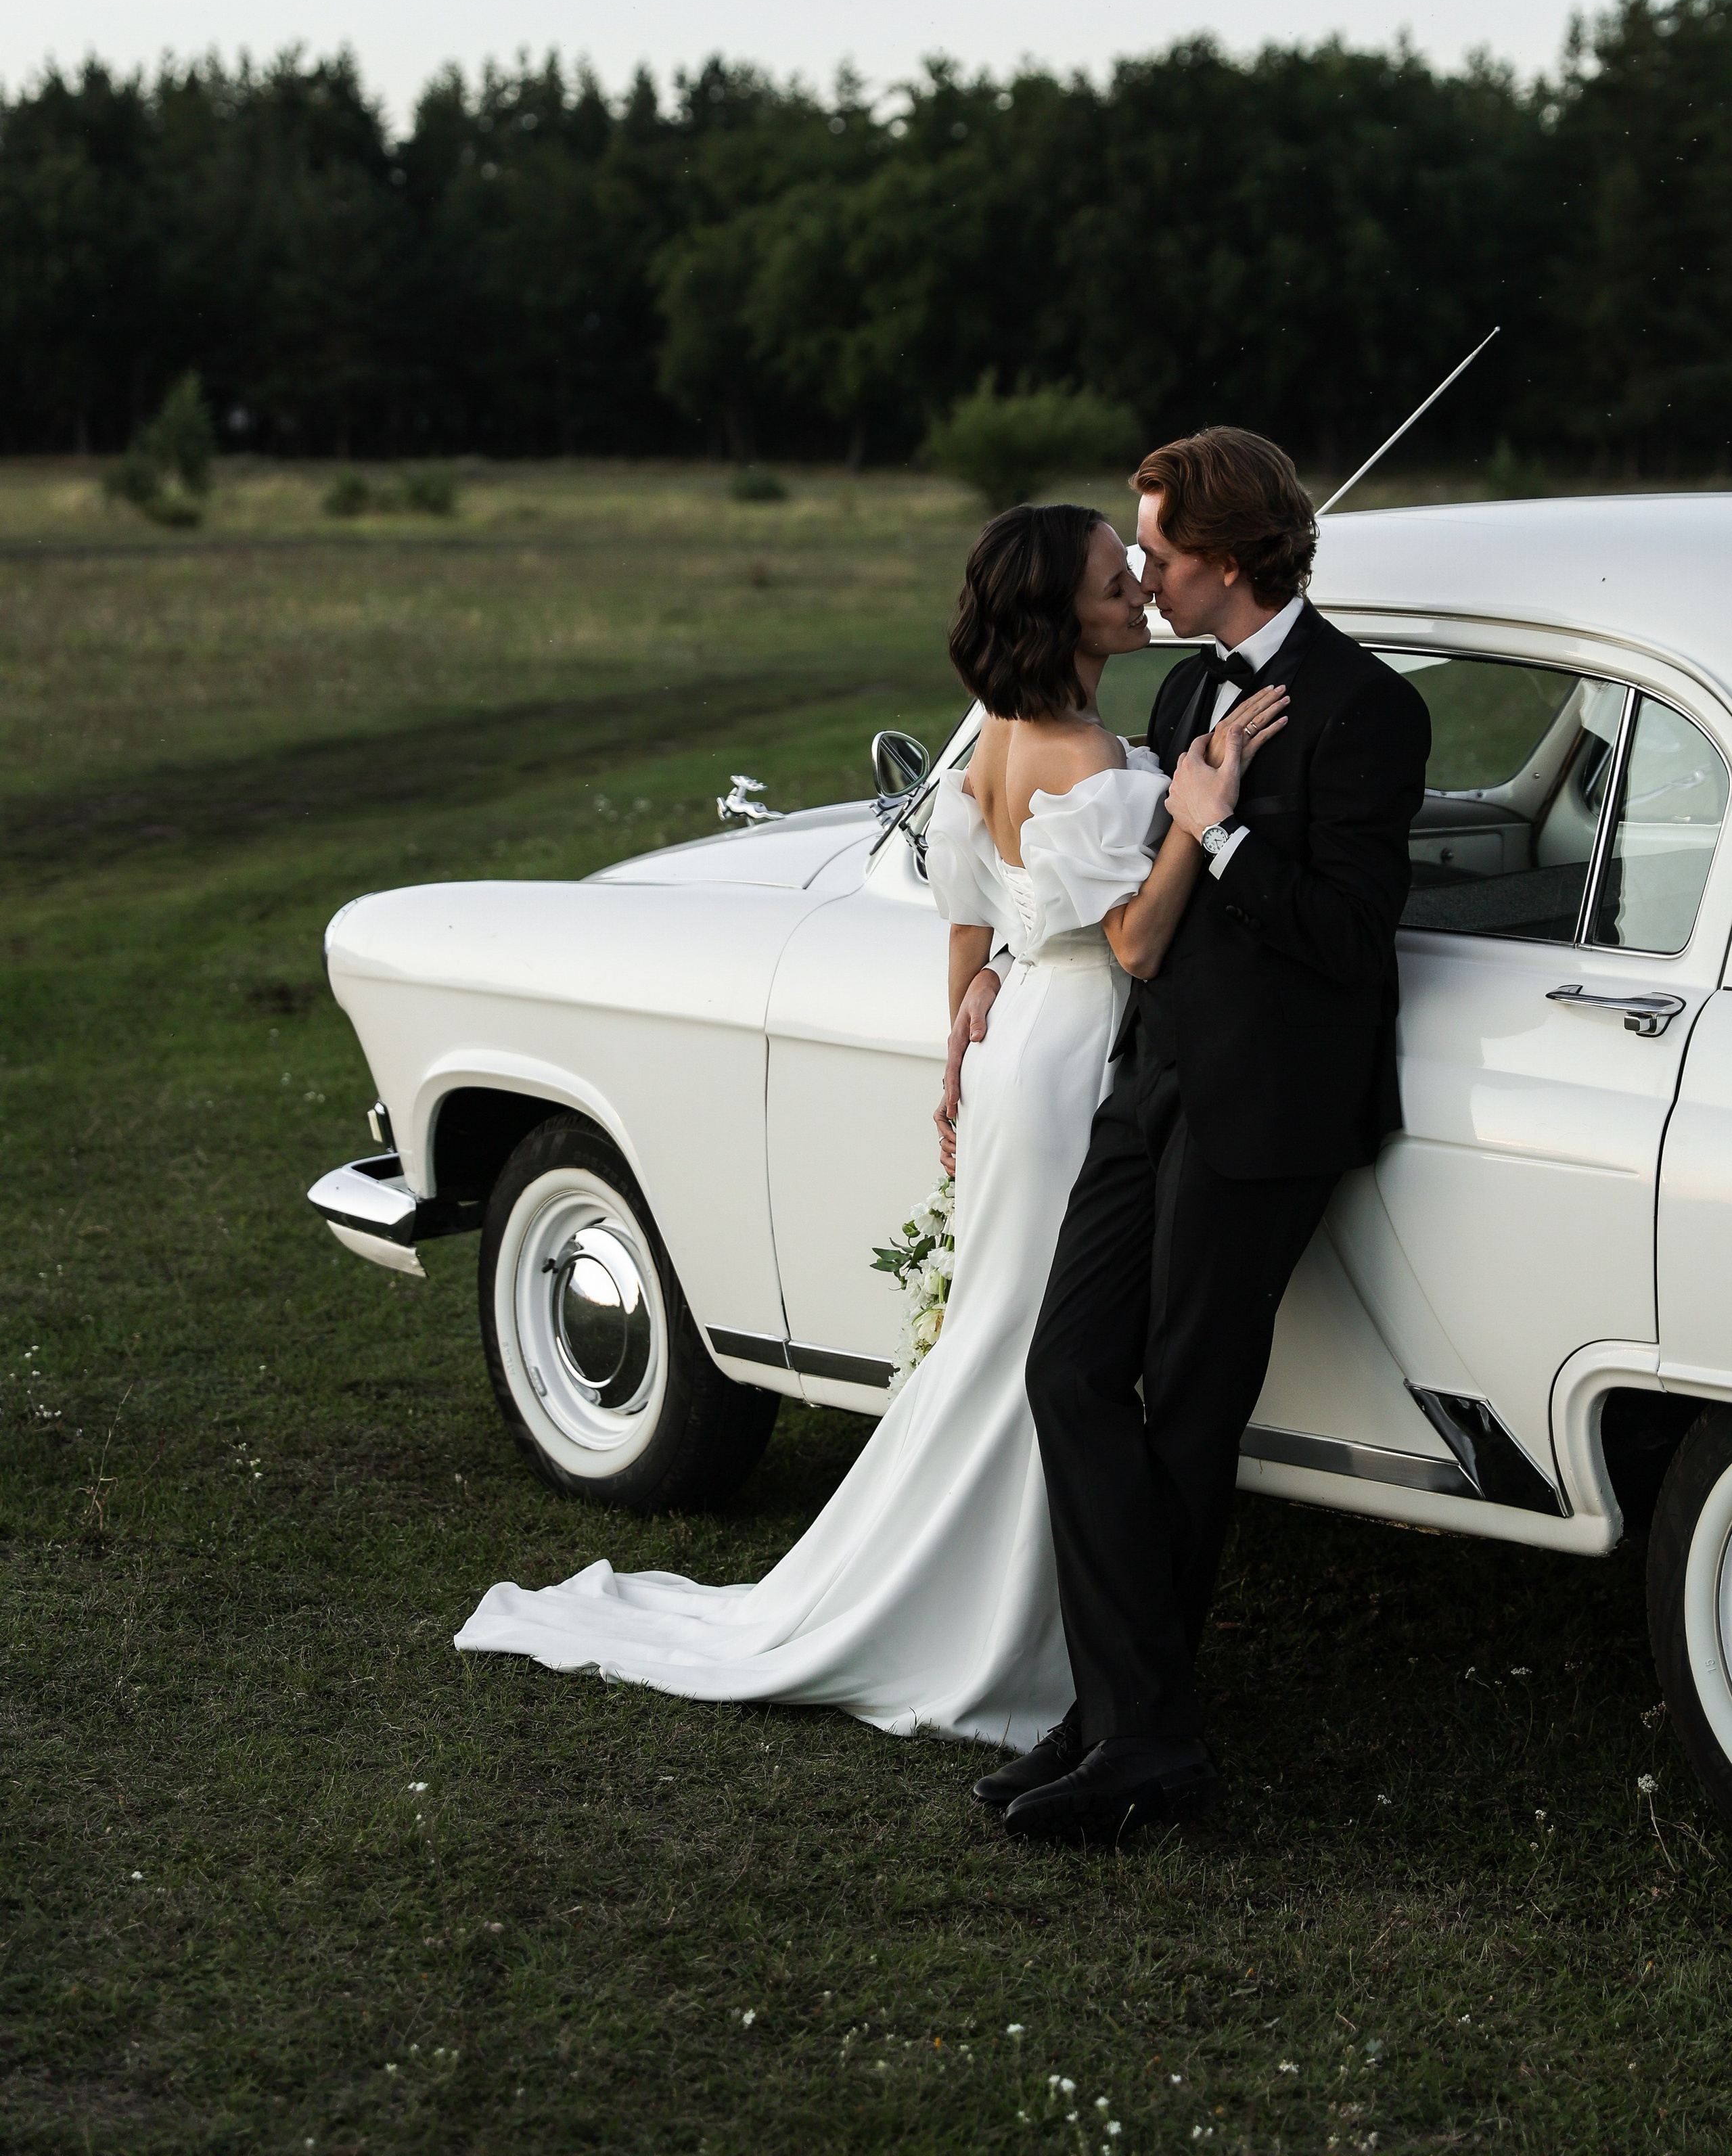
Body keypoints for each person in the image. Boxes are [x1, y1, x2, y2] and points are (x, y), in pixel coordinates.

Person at [454, 503, 1285, 1749]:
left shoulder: (995, 738)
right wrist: (1195, 815)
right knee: (1048, 1344)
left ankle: (1017, 1605)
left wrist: (966, 1036)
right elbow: (1134, 942)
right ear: (1058, 614)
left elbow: (970, 923)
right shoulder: (1087, 758)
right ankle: (1016, 1629)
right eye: (1112, 579)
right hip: (1074, 1062)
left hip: (1019, 1048)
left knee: (1008, 1328)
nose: (1135, 590)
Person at [955, 428, 1431, 1841]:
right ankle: (1127, 1714)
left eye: (1156, 553)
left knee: (1185, 1407)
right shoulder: (1179, 686)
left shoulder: (1366, 708)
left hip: (1269, 1107)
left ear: (1223, 558)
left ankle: (1134, 1738)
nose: (1142, 576)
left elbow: (1348, 936)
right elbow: (1122, 893)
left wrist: (1215, 830)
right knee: (1067, 1371)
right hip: (1150, 1075)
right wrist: (1000, 961)